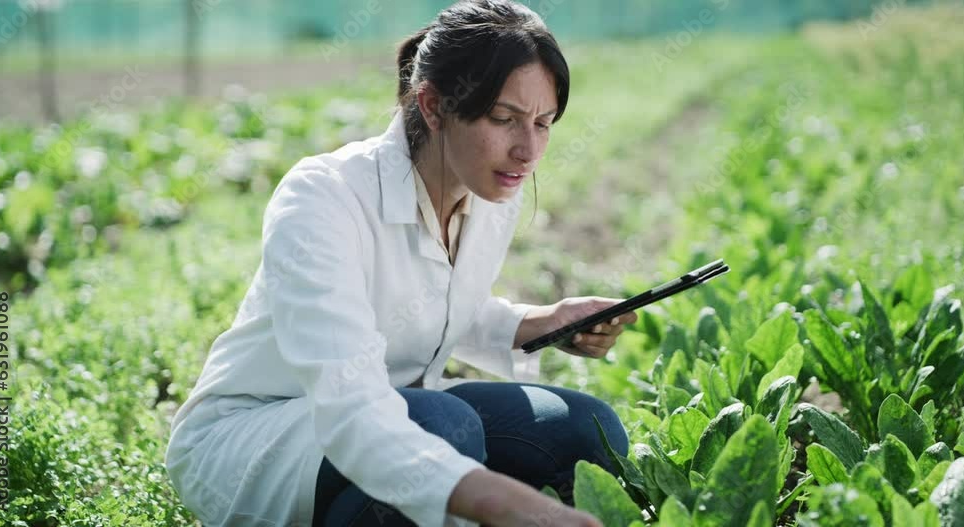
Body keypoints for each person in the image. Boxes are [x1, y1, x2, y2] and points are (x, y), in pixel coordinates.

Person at [164, 1, 639, 525]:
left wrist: (535, 323)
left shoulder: (489, 190)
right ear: (433, 106)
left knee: (587, 430)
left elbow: (423, 303)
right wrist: (514, 506)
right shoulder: (324, 196)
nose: (528, 151)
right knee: (444, 425)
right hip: (266, 434)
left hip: (404, 406)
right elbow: (351, 403)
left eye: (543, 123)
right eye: (504, 119)